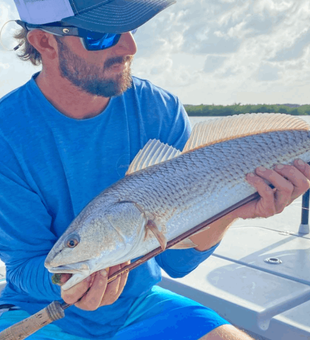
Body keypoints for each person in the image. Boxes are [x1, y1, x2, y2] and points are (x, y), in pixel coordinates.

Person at [0, 1, 309, 339]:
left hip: (140, 304)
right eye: (101, 34)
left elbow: (177, 264)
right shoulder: (7, 133)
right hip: (36, 310)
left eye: (131, 27)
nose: (130, 47)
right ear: (44, 42)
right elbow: (24, 267)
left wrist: (232, 210)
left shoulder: (159, 109)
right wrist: (68, 283)